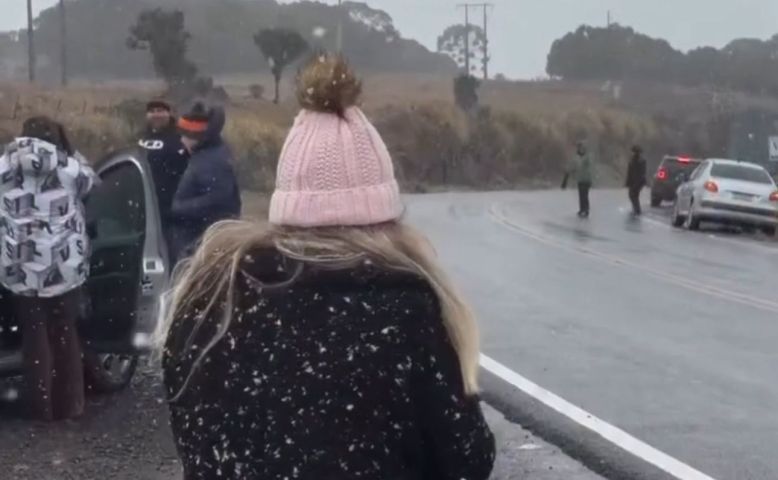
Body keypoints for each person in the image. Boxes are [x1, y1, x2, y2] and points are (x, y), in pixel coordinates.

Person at [158, 55, 496, 480]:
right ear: (384, 217)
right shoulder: (405, 313)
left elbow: (194, 439)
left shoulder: (209, 300)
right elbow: (467, 459)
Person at [0, 116, 98, 421]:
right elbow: (92, 182)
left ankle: (41, 407)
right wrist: (72, 151)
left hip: (20, 267)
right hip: (62, 267)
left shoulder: (3, 166)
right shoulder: (69, 168)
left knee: (34, 336)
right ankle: (70, 406)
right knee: (65, 333)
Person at [168, 101, 241, 264]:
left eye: (185, 135)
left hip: (200, 248)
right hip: (199, 243)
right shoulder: (205, 155)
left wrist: (175, 209)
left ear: (196, 137)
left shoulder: (211, 162)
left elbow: (218, 202)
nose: (182, 140)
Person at [138, 98, 189, 254]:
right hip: (143, 205)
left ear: (169, 114)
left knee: (169, 250)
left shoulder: (179, 139)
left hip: (169, 208)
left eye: (160, 111)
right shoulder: (141, 138)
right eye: (152, 112)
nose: (156, 115)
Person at [566, 141, 594, 218]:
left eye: (581, 148)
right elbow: (574, 166)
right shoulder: (576, 157)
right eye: (579, 148)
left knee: (585, 195)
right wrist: (569, 172)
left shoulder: (587, 157)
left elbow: (590, 167)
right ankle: (582, 209)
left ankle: (586, 209)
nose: (580, 149)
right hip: (580, 179)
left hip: (586, 179)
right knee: (581, 195)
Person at [625, 145, 647, 216]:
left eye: (633, 152)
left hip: (636, 181)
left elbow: (632, 172)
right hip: (637, 181)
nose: (632, 153)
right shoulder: (639, 160)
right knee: (634, 195)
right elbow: (630, 172)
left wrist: (629, 182)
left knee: (633, 195)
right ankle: (636, 209)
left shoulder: (636, 161)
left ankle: (637, 209)